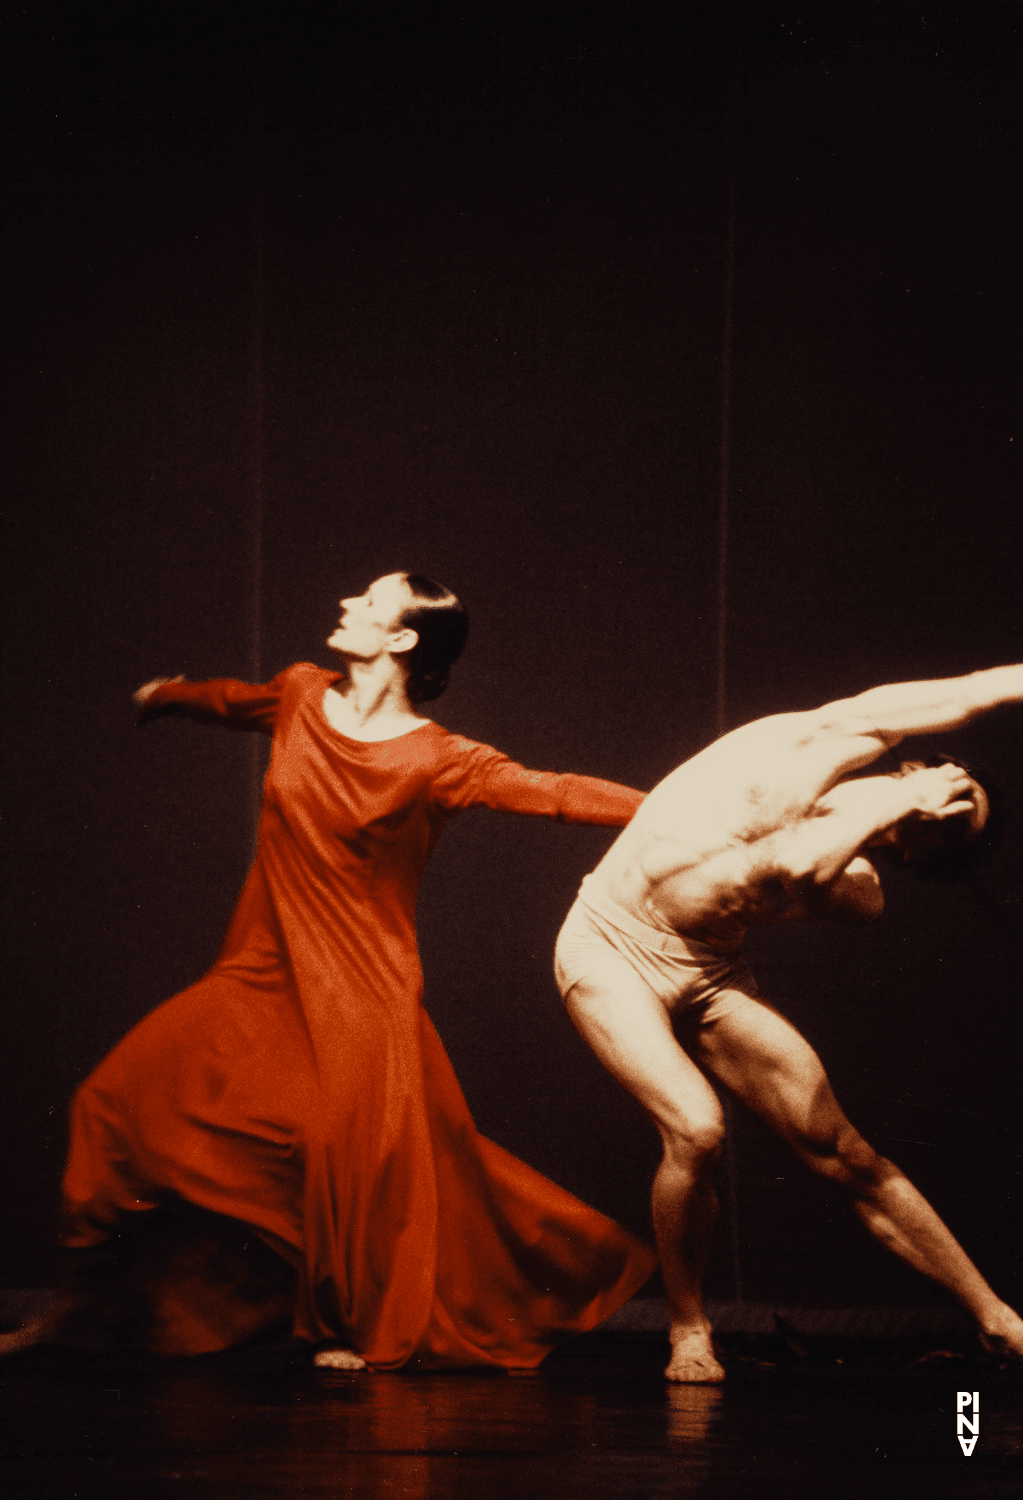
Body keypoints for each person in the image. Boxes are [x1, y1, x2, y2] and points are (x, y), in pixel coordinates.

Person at [6, 572, 656, 1369]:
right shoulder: (302, 692)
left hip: (361, 990)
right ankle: (84, 1315)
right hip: (261, 967)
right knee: (115, 1101)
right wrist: (169, 694)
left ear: (402, 639)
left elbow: (548, 792)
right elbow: (234, 700)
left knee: (356, 1157)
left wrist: (665, 806)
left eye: (368, 601)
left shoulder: (437, 759)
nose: (345, 604)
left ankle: (360, 1320)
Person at [554, 664, 1023, 1381]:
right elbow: (968, 693)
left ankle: (996, 1321)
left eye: (952, 826)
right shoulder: (811, 737)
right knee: (695, 1127)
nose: (942, 808)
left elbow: (801, 867)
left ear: (914, 854)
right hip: (606, 943)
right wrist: (914, 787)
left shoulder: (857, 888)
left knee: (845, 1154)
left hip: (709, 974)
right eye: (953, 790)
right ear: (924, 763)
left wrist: (904, 804)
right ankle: (688, 1329)